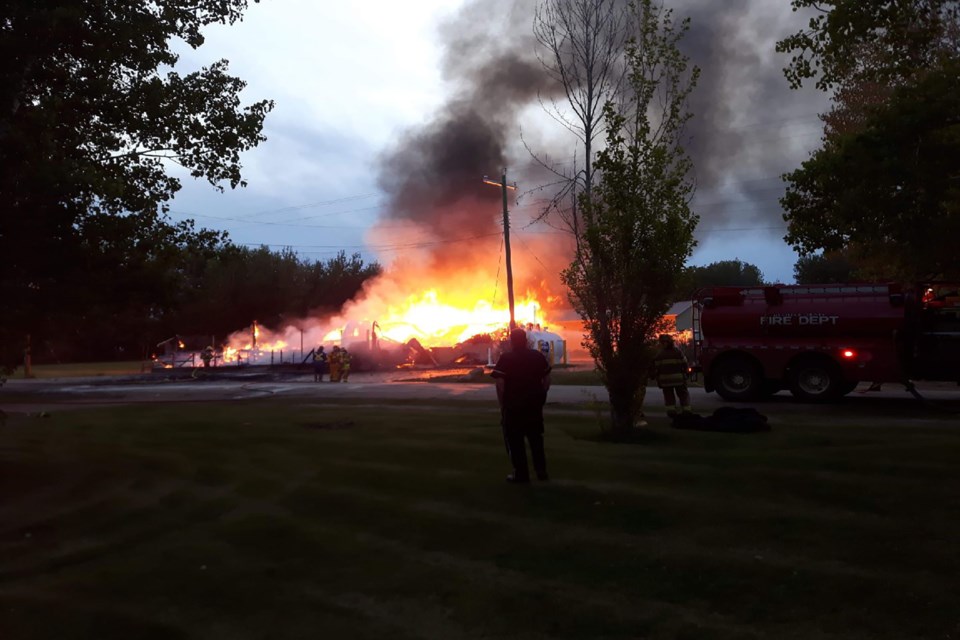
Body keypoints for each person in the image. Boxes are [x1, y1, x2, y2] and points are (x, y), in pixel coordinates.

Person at [491, 328, 552, 484]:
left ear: (511, 341)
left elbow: (500, 383)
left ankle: (521, 474)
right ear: (526, 340)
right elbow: (547, 379)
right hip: (534, 405)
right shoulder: (537, 356)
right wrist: (541, 396)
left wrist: (502, 404)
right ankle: (541, 471)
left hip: (513, 406)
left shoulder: (506, 358)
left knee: (515, 441)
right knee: (536, 439)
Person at [651, 334, 691, 415]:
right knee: (683, 394)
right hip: (679, 379)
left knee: (668, 396)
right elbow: (685, 364)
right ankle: (686, 410)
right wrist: (686, 374)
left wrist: (655, 377)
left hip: (665, 380)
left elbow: (655, 368)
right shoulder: (678, 352)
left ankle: (671, 411)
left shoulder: (659, 354)